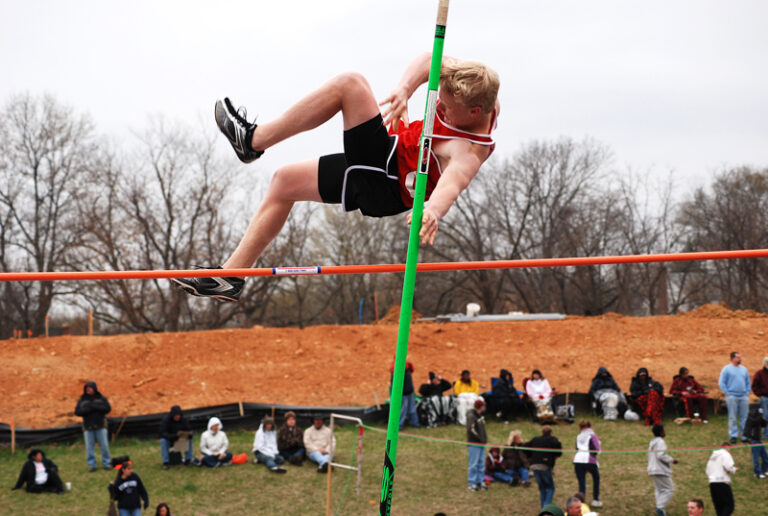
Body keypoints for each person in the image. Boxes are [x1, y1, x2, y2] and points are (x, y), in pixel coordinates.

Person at [171, 53, 500, 302]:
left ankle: (253, 140)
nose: (439, 109)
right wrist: (403, 91)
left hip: (385, 179)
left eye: (446, 109)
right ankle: (231, 277)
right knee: (283, 183)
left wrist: (432, 212)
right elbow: (431, 60)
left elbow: (452, 184)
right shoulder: (475, 86)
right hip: (390, 156)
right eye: (439, 102)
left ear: (474, 113)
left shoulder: (468, 151)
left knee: (351, 85)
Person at [74, 380, 112, 471]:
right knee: (89, 448)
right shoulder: (82, 400)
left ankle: (106, 463)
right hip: (88, 427)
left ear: (94, 388)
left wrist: (95, 407)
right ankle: (92, 465)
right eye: (87, 388)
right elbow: (77, 412)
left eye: (90, 388)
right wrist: (88, 409)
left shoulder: (101, 398)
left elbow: (107, 409)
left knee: (104, 446)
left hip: (100, 426)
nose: (88, 390)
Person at [524, 425, 563, 508]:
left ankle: (543, 509)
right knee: (550, 488)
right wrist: (555, 456)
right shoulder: (553, 439)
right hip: (545, 466)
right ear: (551, 433)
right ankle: (546, 507)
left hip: (534, 466)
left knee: (542, 488)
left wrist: (531, 457)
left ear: (542, 433)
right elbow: (558, 450)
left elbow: (526, 447)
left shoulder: (535, 439)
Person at [718, 351, 750, 443]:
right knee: (732, 416)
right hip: (732, 396)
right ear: (733, 358)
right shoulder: (726, 369)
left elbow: (747, 381)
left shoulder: (744, 369)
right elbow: (721, 382)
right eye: (738, 357)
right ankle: (733, 435)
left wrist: (747, 392)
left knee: (744, 416)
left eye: (740, 357)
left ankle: (745, 436)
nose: (740, 359)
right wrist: (727, 393)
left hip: (743, 396)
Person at [647, 424, 677, 516]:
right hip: (660, 469)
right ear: (661, 432)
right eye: (664, 430)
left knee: (659, 490)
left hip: (652, 469)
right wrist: (672, 460)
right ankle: (660, 508)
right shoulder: (660, 441)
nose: (665, 432)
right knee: (669, 489)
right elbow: (661, 455)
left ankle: (661, 512)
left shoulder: (652, 442)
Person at [572, 420, 602, 508]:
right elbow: (597, 449)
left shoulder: (579, 436)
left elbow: (577, 448)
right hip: (589, 459)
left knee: (582, 482)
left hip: (578, 460)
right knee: (596, 478)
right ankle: (595, 500)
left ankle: (581, 503)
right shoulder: (592, 435)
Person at [706, 441, 737, 516]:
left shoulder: (712, 457)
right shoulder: (725, 454)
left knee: (719, 508)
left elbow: (707, 470)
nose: (730, 451)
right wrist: (734, 469)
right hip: (722, 482)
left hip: (712, 484)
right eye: (730, 449)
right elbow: (728, 466)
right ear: (727, 447)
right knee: (730, 506)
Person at [466, 398, 488, 491]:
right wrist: (479, 438)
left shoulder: (480, 416)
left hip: (481, 443)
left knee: (481, 463)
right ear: (480, 407)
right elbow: (471, 429)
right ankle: (472, 482)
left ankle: (480, 480)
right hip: (474, 443)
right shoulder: (472, 416)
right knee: (473, 464)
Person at [390, 359, 418, 430]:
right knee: (402, 410)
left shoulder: (407, 367)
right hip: (402, 394)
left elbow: (412, 369)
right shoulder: (395, 368)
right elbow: (394, 383)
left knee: (412, 409)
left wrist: (409, 364)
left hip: (409, 392)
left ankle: (414, 423)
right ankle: (399, 425)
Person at [743, 407, 768, 478]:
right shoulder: (751, 419)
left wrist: (763, 419)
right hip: (754, 441)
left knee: (765, 457)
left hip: (759, 441)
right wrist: (759, 418)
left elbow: (764, 424)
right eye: (760, 414)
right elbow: (753, 424)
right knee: (756, 458)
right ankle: (757, 473)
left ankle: (764, 470)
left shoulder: (759, 419)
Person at [751, 356, 768, 439]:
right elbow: (754, 385)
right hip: (764, 398)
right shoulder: (759, 373)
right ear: (765, 364)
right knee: (765, 416)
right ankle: (765, 434)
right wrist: (759, 394)